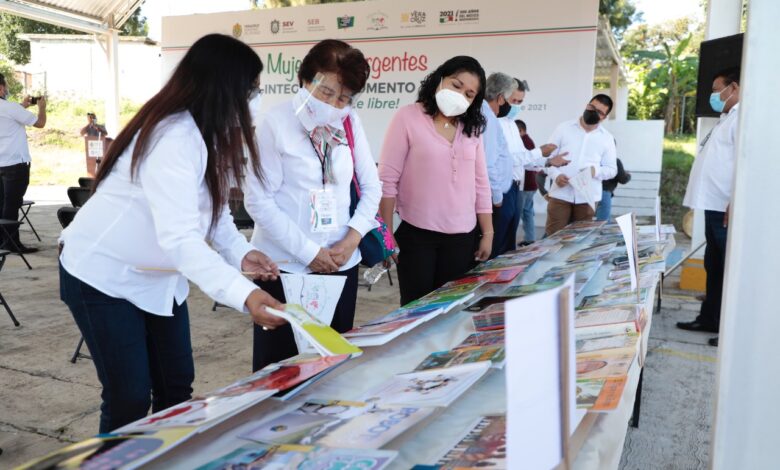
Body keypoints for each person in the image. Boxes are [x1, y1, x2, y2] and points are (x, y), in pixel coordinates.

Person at [58, 34, 286, 433]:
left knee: (175, 389)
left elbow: (211, 212)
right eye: (251, 89)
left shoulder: (211, 134)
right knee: (129, 397)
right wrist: (245, 294)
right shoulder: (173, 136)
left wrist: (239, 253)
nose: (256, 97)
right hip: (104, 277)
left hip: (160, 280)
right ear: (223, 87)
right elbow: (180, 239)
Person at [244, 39, 381, 371]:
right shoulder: (275, 122)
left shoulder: (350, 123)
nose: (335, 104)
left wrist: (351, 240)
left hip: (340, 263)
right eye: (326, 92)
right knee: (280, 369)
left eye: (345, 97)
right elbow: (259, 200)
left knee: (330, 365)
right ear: (304, 79)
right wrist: (309, 253)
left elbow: (372, 186)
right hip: (285, 267)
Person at [378, 56, 493, 305]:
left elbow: (481, 183)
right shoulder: (408, 117)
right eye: (456, 85)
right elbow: (387, 180)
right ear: (440, 79)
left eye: (470, 94)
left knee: (450, 310)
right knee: (415, 310)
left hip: (463, 238)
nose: (461, 95)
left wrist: (488, 232)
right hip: (418, 236)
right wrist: (385, 235)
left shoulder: (472, 128)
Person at [676, 67, 741, 347]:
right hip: (712, 204)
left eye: (717, 89)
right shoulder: (726, 118)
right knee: (713, 265)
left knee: (728, 269)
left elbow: (746, 164)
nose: (714, 95)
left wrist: (736, 200)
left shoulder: (743, 119)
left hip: (726, 206)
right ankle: (709, 317)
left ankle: (730, 330)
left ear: (734, 88)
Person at [497, 79, 566, 251]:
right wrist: (538, 152)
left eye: (521, 102)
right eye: (515, 101)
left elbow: (524, 159)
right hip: (500, 190)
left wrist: (548, 161)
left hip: (515, 189)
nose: (518, 106)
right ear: (501, 98)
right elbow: (507, 160)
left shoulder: (512, 124)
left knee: (508, 242)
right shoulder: (494, 124)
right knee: (497, 241)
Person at [544, 94, 618, 236]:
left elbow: (612, 170)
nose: (593, 112)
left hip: (587, 197)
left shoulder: (607, 138)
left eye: (599, 112)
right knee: (553, 239)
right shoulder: (563, 128)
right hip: (560, 194)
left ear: (604, 117)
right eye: (592, 107)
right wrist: (556, 175)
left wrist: (594, 171)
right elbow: (548, 159)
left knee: (581, 241)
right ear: (587, 104)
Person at [0, 73, 46, 253]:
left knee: (2, 204)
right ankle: (12, 243)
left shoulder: (11, 109)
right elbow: (40, 123)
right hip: (15, 165)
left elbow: (7, 117)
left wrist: (23, 106)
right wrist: (41, 107)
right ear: (1, 88)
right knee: (11, 204)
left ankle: (3, 241)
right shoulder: (10, 108)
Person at [517, 119, 539, 244]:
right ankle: (529, 239)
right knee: (527, 212)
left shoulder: (524, 141)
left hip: (526, 185)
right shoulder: (527, 140)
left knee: (522, 213)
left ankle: (529, 239)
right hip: (530, 184)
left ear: (521, 130)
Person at [595, 156, 631, 222]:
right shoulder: (614, 161)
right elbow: (623, 179)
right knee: (602, 223)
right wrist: (628, 175)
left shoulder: (594, 160)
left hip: (590, 193)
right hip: (604, 193)